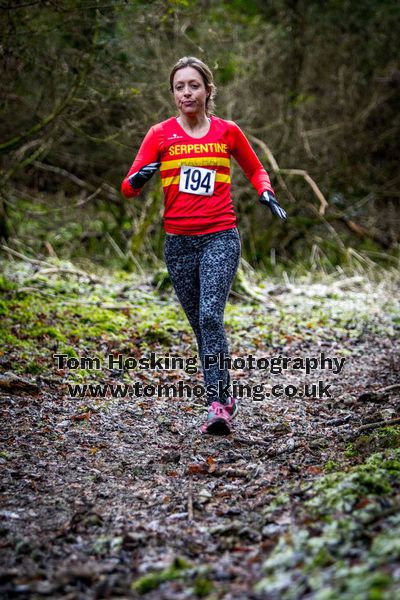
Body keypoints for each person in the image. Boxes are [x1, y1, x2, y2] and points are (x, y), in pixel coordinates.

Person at [121, 56, 287, 435]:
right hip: (178, 244)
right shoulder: (159, 134)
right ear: (173, 94)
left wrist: (265, 191)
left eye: (193, 85)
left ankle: (218, 403)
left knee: (211, 316)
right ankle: (223, 395)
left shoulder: (227, 132)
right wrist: (141, 178)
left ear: (208, 90)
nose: (186, 93)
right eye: (179, 87)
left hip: (220, 237)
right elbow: (127, 188)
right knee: (200, 325)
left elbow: (255, 168)